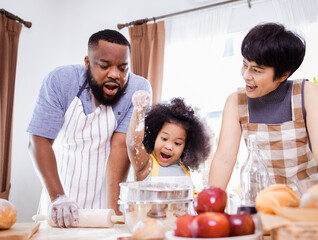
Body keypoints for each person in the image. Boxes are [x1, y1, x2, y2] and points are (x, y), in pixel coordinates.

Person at [27, 29, 152, 227]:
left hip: (103, 209)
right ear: (87, 63)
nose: (114, 75)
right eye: (104, 66)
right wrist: (58, 197)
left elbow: (120, 148)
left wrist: (115, 214)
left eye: (123, 68)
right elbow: (39, 140)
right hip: (59, 198)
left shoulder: (137, 89)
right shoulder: (61, 81)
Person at [208, 22, 318, 191]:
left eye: (256, 70)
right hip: (265, 202)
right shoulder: (235, 102)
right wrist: (208, 206)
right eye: (244, 64)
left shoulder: (306, 93)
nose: (246, 75)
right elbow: (224, 158)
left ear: (283, 75)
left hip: (310, 199)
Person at [126, 90, 211, 183]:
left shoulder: (184, 170)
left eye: (177, 143)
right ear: (155, 137)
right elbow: (134, 145)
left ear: (186, 147)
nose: (168, 147)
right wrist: (139, 111)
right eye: (164, 139)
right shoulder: (147, 166)